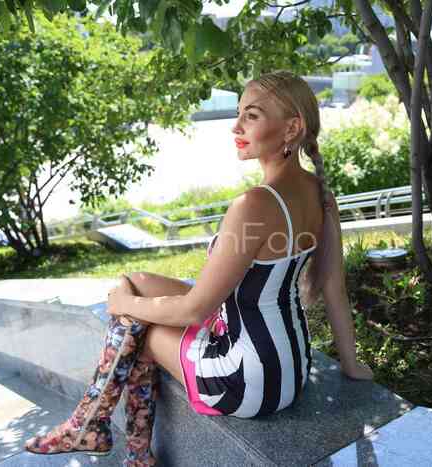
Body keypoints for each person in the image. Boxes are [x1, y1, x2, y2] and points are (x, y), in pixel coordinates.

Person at [24, 70, 374, 466]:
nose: (236, 127)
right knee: (137, 282)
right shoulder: (320, 193)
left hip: (244, 379)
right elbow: (334, 288)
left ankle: (120, 445)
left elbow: (195, 310)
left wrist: (124, 305)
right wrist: (350, 364)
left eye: (252, 116)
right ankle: (94, 426)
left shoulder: (255, 205)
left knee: (139, 329)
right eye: (239, 113)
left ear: (292, 128)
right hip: (290, 370)